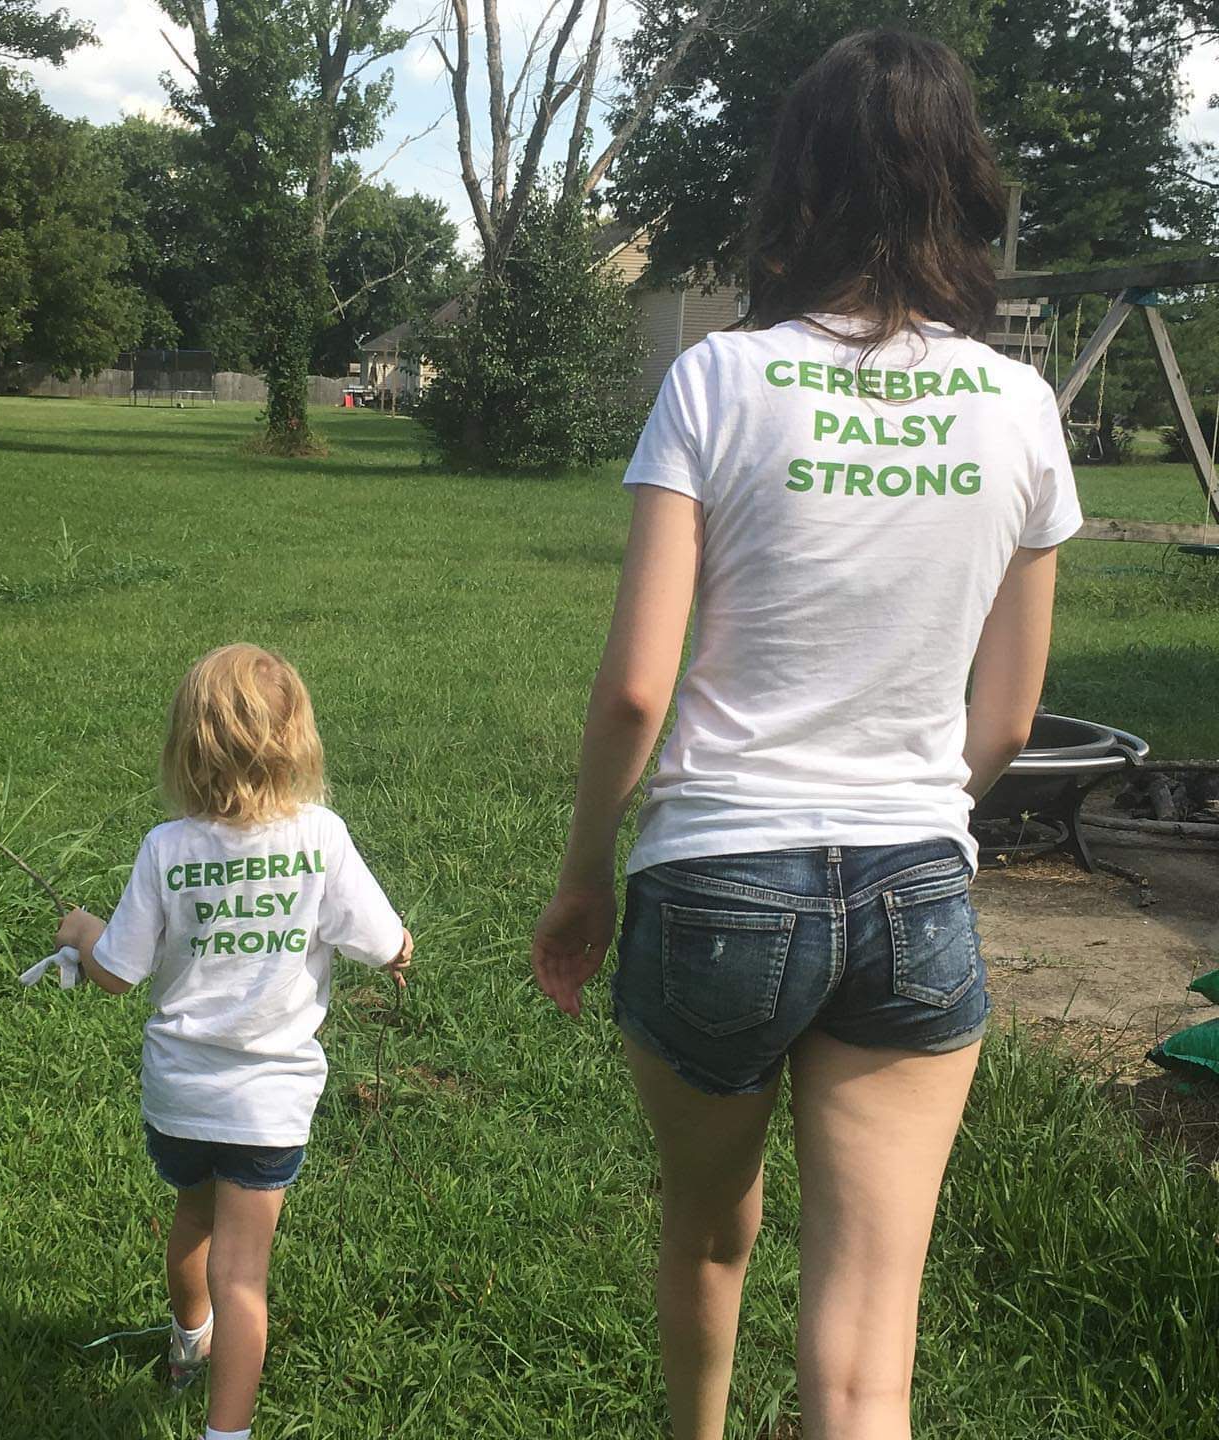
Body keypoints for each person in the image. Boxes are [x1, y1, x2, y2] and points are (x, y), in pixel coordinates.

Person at [531, 30, 1081, 1440]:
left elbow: (636, 693)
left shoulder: (720, 380)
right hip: (914, 884)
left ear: (802, 183)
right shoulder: (1022, 407)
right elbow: (1007, 718)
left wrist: (587, 874)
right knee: (862, 1371)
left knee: (711, 1231)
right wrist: (900, 797)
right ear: (960, 184)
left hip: (716, 884)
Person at [57, 643, 412, 1440]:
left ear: (187, 746)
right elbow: (380, 936)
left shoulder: (166, 847)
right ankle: (229, 1432)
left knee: (193, 1216)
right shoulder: (320, 838)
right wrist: (398, 951)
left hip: (179, 1096)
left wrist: (82, 932)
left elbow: (117, 972)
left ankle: (188, 1346)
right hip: (269, 1101)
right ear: (299, 744)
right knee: (243, 1274)